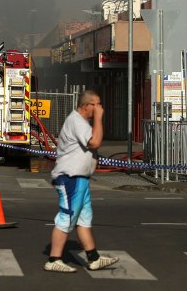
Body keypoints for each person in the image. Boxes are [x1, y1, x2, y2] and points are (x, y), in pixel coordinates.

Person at [44, 90, 119, 273]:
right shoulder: (77, 121)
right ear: (87, 106)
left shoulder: (81, 122)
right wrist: (99, 119)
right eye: (97, 104)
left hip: (80, 179)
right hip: (71, 178)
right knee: (67, 217)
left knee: (83, 220)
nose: (100, 108)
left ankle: (93, 258)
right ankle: (54, 259)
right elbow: (94, 142)